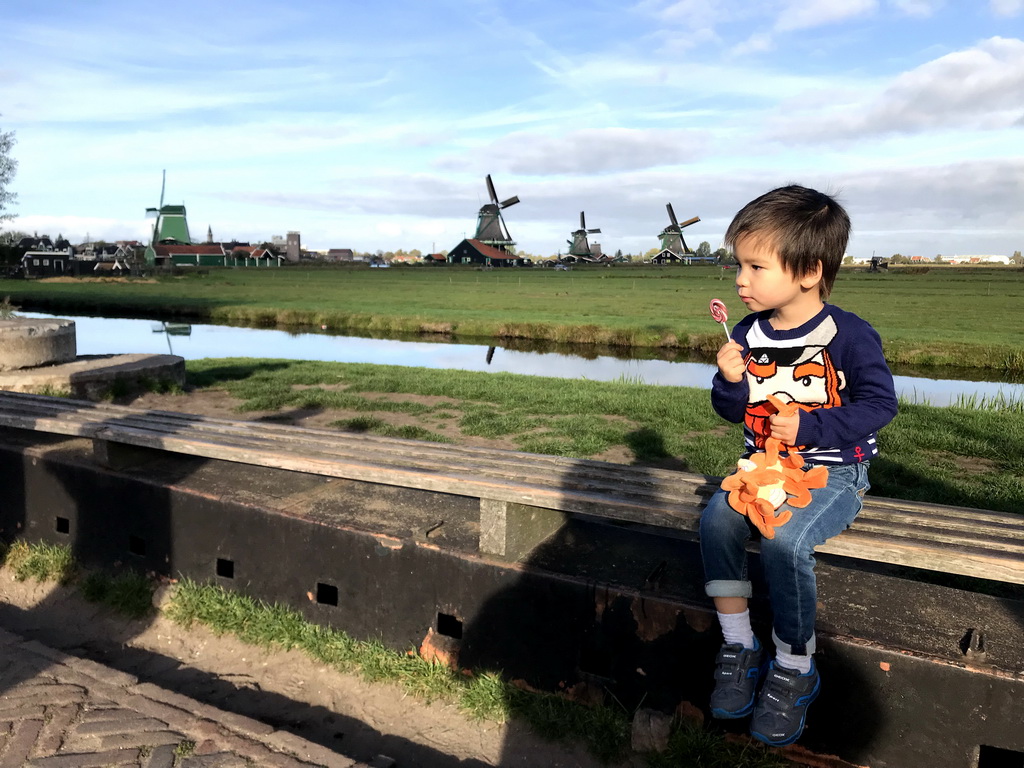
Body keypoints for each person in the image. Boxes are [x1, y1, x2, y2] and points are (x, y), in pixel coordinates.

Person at [699, 185, 897, 746]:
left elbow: (880, 406)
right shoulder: (745, 333)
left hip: (835, 469)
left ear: (809, 270)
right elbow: (728, 411)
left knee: (786, 543)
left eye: (755, 266)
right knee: (715, 522)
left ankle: (794, 664)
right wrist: (731, 381)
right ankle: (739, 643)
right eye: (738, 265)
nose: (741, 280)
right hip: (762, 467)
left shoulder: (848, 335)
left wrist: (811, 428)